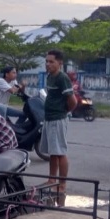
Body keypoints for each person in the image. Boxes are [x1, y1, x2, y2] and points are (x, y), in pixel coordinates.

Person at [41, 50, 77, 206]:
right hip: (48, 118)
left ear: (60, 63)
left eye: (51, 62)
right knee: (52, 152)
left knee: (60, 152)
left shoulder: (63, 78)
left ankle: (62, 184)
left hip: (58, 119)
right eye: (47, 61)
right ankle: (51, 179)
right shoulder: (50, 76)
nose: (48, 64)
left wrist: (63, 112)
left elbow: (73, 102)